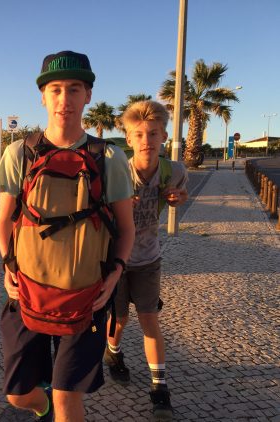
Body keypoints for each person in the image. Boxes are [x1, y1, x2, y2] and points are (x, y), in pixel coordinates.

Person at [0, 50, 135, 422]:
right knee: (18, 395)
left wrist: (115, 276)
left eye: (74, 89)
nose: (64, 99)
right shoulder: (18, 154)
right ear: (42, 96)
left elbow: (126, 228)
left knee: (66, 398)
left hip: (87, 297)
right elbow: (5, 220)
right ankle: (40, 407)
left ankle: (53, 404)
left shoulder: (109, 157)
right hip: (26, 293)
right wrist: (7, 266)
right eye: (55, 89)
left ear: (88, 95)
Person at [104, 100, 188, 420]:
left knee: (149, 319)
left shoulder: (174, 170)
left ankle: (159, 387)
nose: (146, 140)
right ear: (129, 139)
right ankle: (112, 353)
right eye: (138, 134)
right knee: (120, 319)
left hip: (149, 258)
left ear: (164, 136)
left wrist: (179, 198)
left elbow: (180, 197)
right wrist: (118, 205)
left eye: (153, 133)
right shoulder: (116, 170)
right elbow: (95, 208)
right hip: (115, 259)